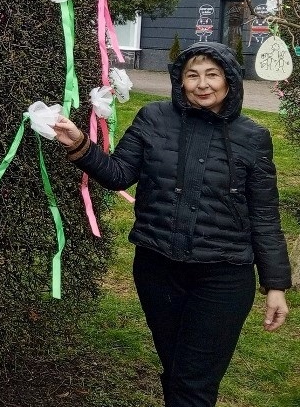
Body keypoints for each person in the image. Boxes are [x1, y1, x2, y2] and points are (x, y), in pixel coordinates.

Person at [53, 41, 291, 407]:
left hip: (223, 276)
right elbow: (119, 174)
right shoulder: (153, 119)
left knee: (194, 379)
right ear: (179, 81)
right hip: (158, 268)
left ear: (229, 80)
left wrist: (275, 284)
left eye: (212, 74)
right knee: (176, 369)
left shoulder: (252, 137)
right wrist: (82, 145)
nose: (202, 84)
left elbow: (264, 214)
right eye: (191, 75)